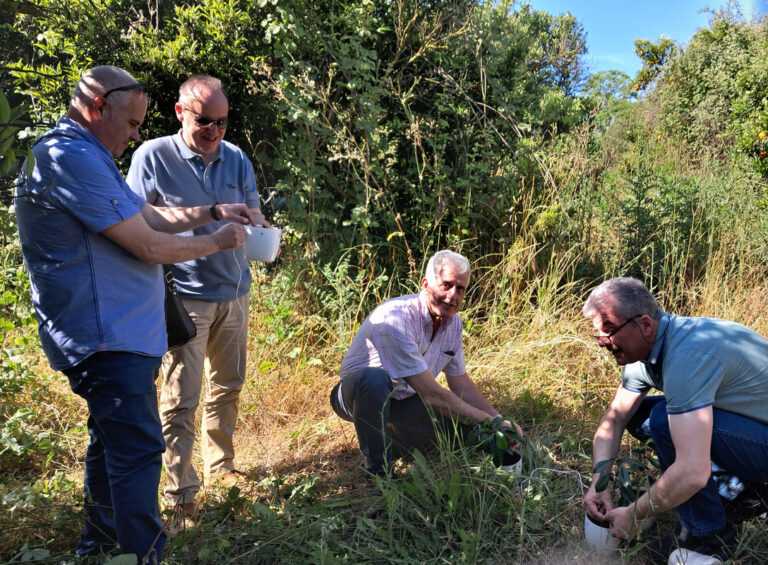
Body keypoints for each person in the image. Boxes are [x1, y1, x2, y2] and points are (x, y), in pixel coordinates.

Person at [14, 65, 257, 562]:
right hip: (105, 336)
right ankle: (143, 553)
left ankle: (98, 545)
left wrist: (213, 212)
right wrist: (216, 241)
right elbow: (146, 244)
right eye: (129, 123)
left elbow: (148, 215)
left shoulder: (92, 158)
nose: (135, 134)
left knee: (110, 446)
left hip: (122, 335)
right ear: (96, 106)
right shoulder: (68, 158)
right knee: (139, 451)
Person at [126, 75, 267, 522]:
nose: (215, 132)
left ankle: (221, 468)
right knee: (180, 398)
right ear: (180, 112)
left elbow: (253, 208)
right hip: (182, 295)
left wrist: (260, 228)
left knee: (228, 386)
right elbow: (137, 221)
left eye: (223, 123)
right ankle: (180, 493)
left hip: (234, 290)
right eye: (205, 121)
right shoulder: (153, 156)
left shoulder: (237, 158)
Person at [582, 277, 768, 564]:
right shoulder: (647, 354)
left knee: (663, 421)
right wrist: (599, 482)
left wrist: (634, 514)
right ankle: (738, 489)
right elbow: (614, 420)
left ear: (644, 325)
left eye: (609, 331)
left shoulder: (687, 356)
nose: (602, 342)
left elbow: (691, 472)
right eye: (597, 334)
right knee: (639, 414)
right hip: (753, 426)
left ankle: (708, 537)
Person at [329, 250, 521, 476]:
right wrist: (491, 421)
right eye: (446, 285)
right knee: (374, 380)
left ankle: (394, 441)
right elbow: (434, 395)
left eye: (460, 289)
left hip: (405, 399)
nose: (452, 296)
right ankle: (379, 473)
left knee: (461, 434)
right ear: (425, 283)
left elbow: (461, 384)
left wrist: (498, 421)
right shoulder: (394, 318)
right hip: (356, 397)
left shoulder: (453, 323)